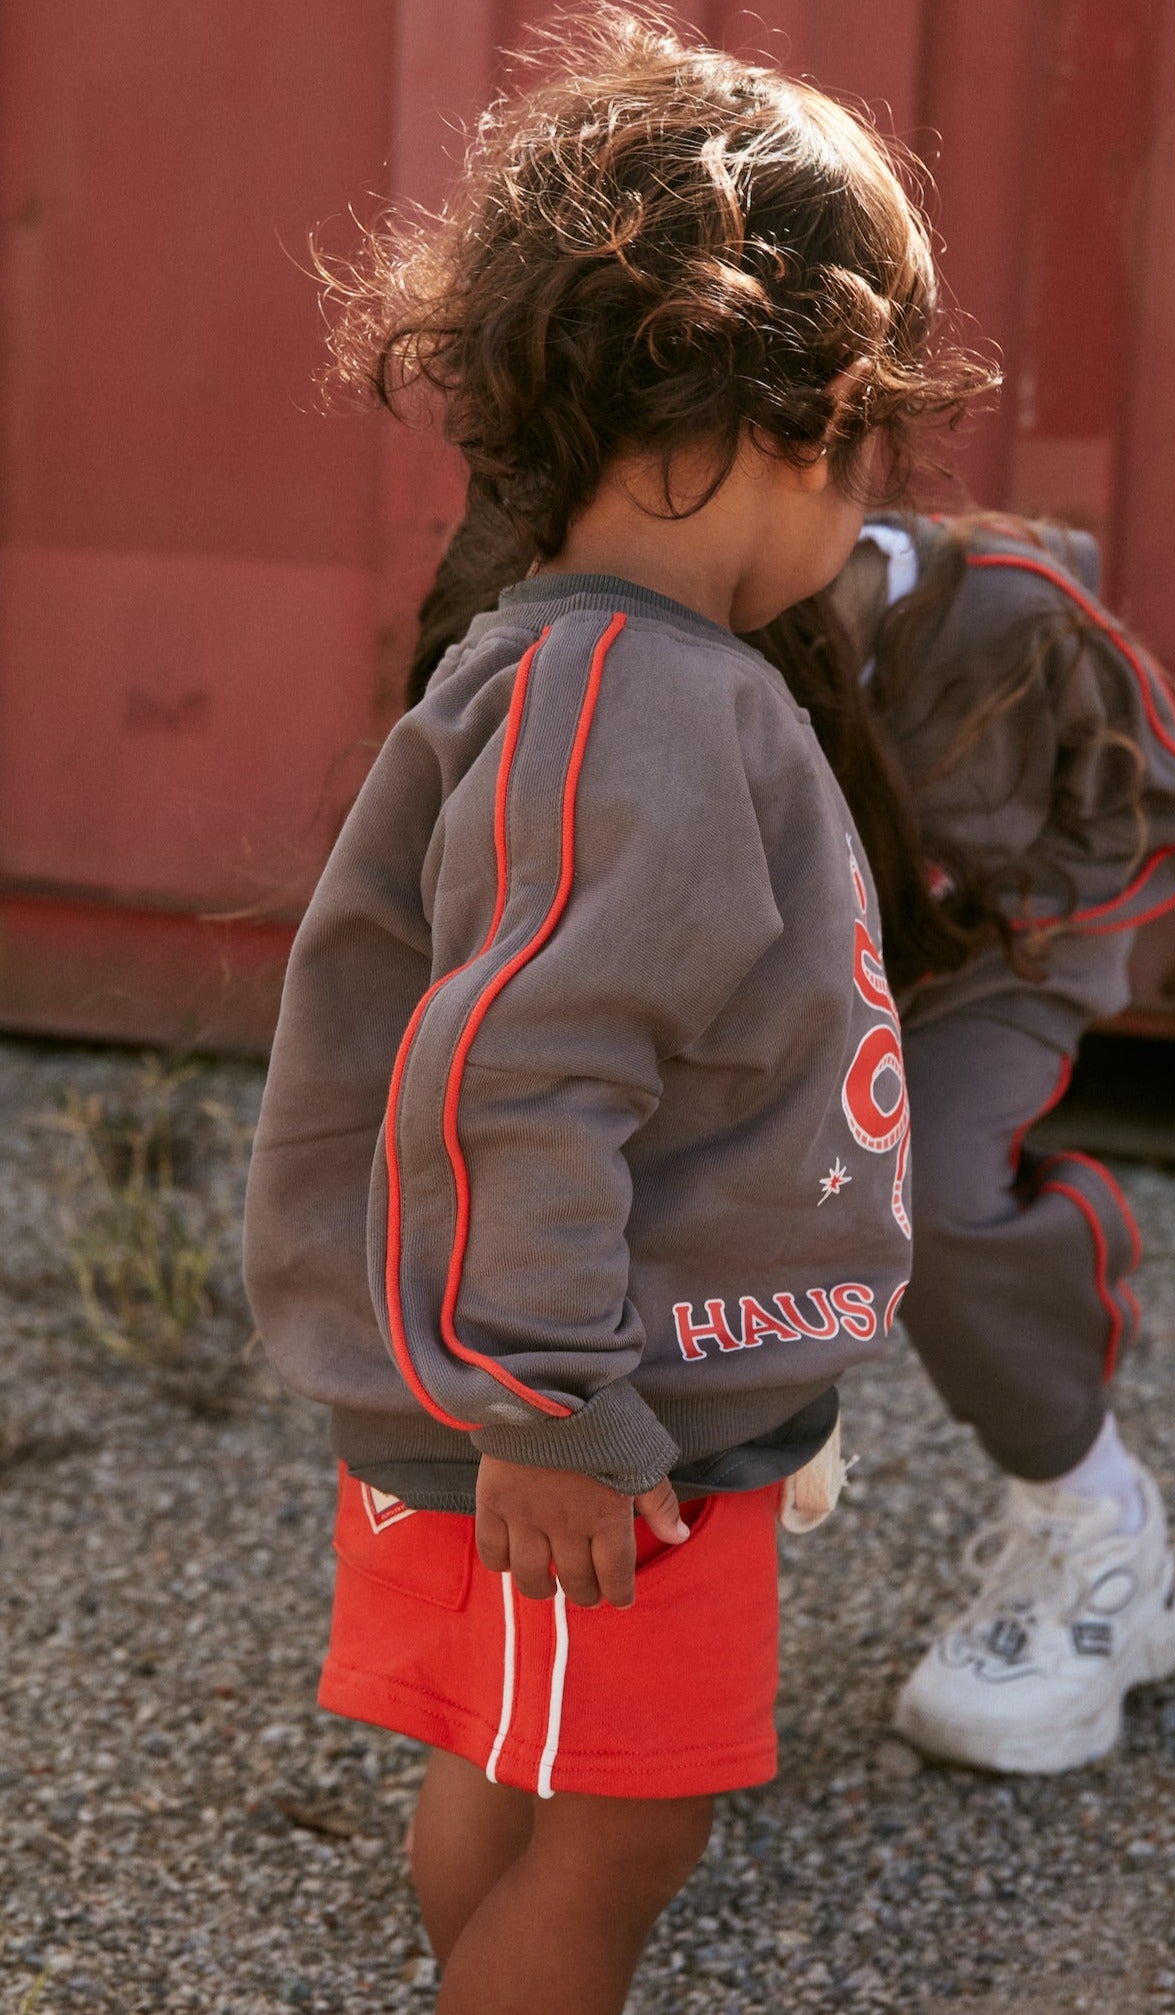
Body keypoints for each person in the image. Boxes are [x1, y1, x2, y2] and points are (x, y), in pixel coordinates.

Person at [243, 14, 994, 2015]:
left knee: (517, 1754)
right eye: (875, 442)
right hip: (588, 1422)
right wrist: (553, 1409)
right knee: (628, 1817)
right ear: (807, 403)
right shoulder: (640, 696)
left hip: (570, 1394)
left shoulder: (583, 667)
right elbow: (523, 1065)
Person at [410, 494, 1175, 1782]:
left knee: (931, 1191)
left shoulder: (1010, 614)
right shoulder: (605, 655)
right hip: (791, 934)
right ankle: (704, 1481)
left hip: (988, 956)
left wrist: (994, 923)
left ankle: (1100, 1522)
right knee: (686, 1156)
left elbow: (1168, 798)